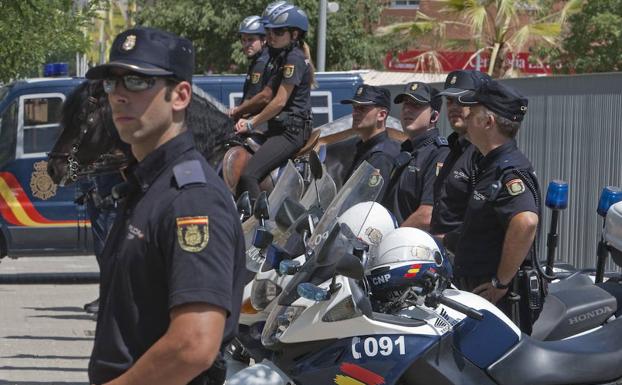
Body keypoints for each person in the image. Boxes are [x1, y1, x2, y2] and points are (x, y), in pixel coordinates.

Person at [85, 26, 245, 385]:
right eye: (112, 82)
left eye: (138, 82)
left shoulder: (191, 198)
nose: (119, 95)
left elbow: (194, 344)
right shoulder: (149, 187)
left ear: (181, 95)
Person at [448, 79, 540, 330]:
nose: (466, 118)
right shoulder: (489, 164)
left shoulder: (508, 170)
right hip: (476, 291)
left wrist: (500, 283)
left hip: (496, 300)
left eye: (473, 113)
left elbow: (526, 221)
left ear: (488, 122)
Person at [235, 4, 314, 201]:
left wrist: (252, 123)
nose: (271, 36)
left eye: (278, 31)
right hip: (278, 129)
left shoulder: (294, 59)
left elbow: (279, 101)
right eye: (269, 31)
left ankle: (259, 227)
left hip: (291, 132)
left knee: (248, 175)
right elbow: (268, 92)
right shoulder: (280, 57)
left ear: (294, 34)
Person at [430, 70, 491, 238]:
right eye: (449, 101)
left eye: (462, 100)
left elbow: (486, 223)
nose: (454, 107)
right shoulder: (455, 148)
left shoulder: (486, 155)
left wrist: (447, 241)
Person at [381, 82, 449, 228]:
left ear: (434, 116)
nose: (407, 110)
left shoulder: (439, 154)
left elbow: (427, 215)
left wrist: (393, 237)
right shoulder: (405, 150)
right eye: (405, 104)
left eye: (416, 105)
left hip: (409, 246)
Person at [338, 84, 400, 200]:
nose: (355, 113)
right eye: (355, 107)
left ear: (381, 115)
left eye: (362, 108)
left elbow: (369, 203)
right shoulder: (364, 148)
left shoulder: (381, 156)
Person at [228, 15, 270, 122]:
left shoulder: (261, 63)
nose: (246, 44)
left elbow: (254, 100)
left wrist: (237, 112)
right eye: (243, 40)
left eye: (251, 40)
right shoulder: (257, 61)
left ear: (264, 40)